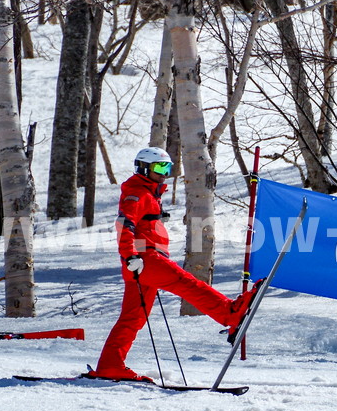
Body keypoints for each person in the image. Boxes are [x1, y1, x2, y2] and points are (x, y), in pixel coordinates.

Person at [94, 147, 256, 381]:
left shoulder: (148, 193)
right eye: (160, 168)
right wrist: (129, 256)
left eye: (168, 168)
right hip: (145, 259)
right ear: (143, 168)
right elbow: (124, 225)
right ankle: (229, 313)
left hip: (141, 262)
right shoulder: (137, 192)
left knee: (133, 318)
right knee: (186, 283)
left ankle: (110, 365)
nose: (164, 173)